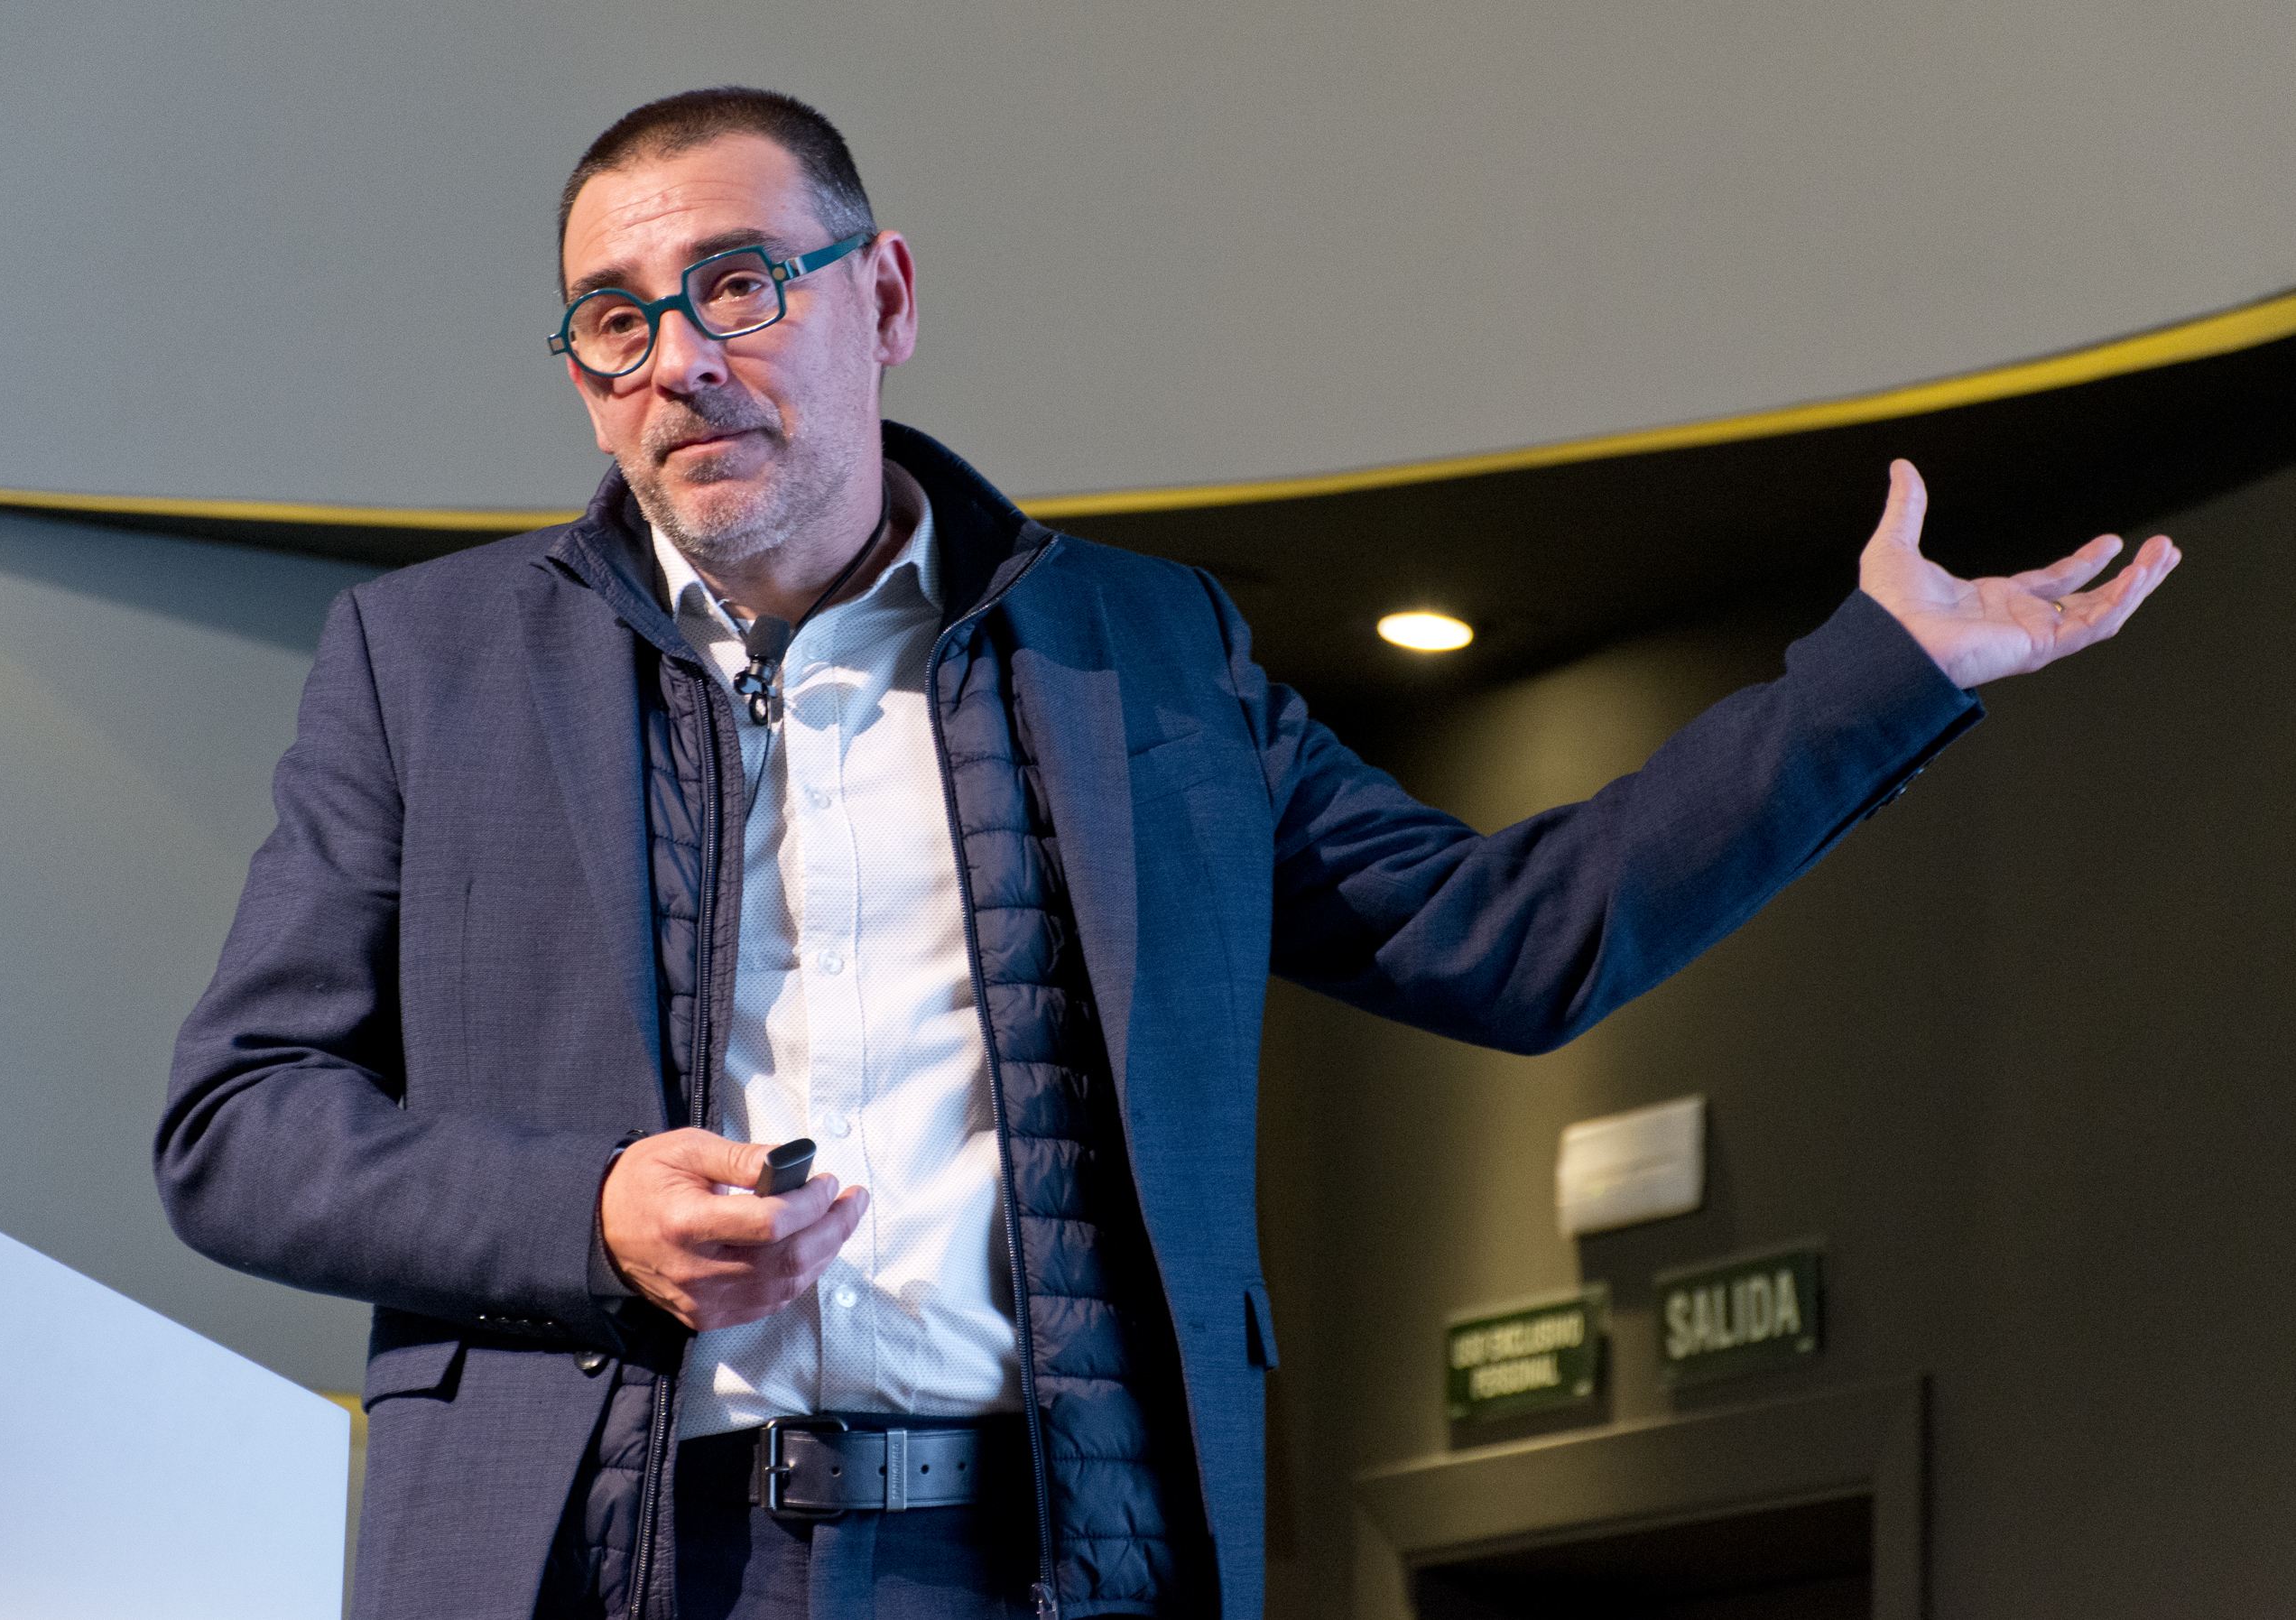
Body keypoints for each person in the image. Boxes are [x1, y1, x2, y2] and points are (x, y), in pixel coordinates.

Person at [157, 88, 2177, 1620]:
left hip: (1035, 1555)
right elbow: (236, 1124)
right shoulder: (425, 666)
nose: (679, 356)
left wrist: (1880, 678)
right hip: (602, 1557)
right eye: (615, 320)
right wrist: (586, 1207)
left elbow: (1510, 939)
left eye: (738, 286)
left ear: (886, 296)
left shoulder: (1147, 656)